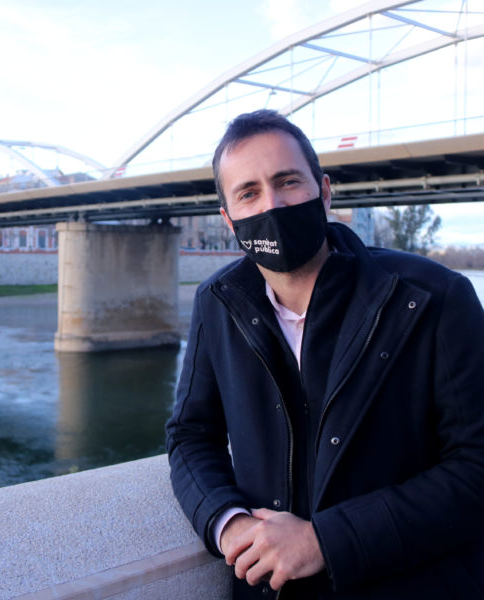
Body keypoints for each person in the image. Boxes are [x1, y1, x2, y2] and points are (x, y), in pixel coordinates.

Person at [165, 109, 484, 599]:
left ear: (325, 191)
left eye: (288, 181)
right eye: (248, 193)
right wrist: (225, 522)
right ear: (228, 220)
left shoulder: (433, 298)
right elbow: (190, 436)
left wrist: (326, 541)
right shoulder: (217, 303)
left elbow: (476, 466)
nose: (272, 205)